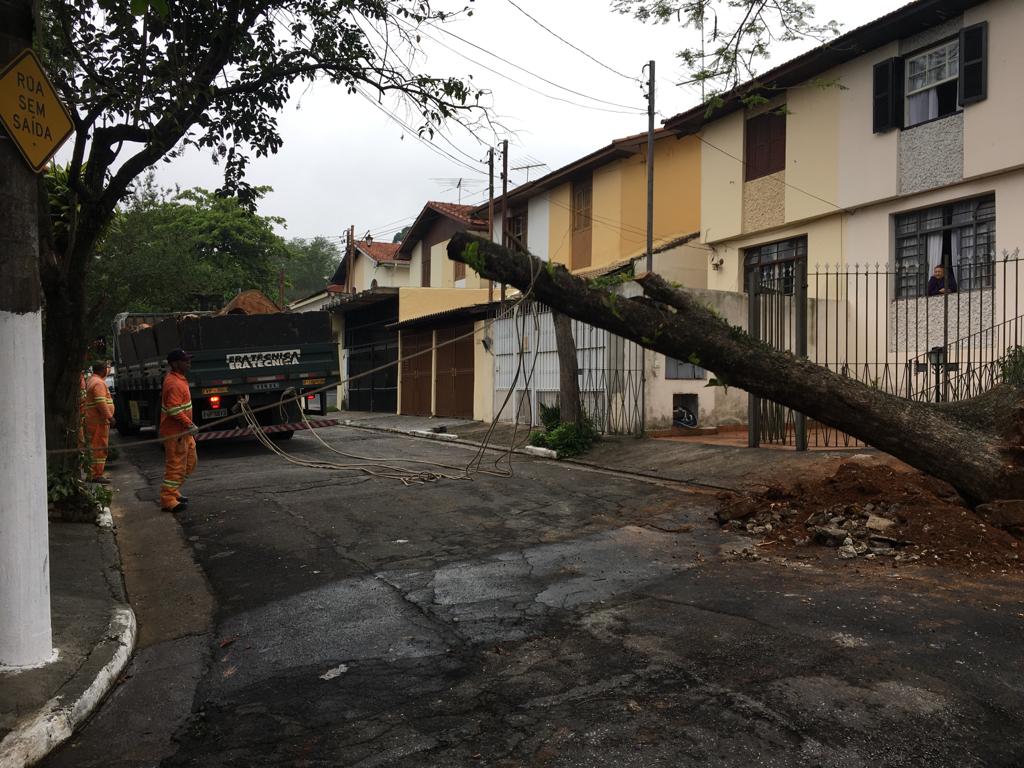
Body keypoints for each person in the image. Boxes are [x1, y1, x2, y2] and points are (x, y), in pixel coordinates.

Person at [159, 349, 198, 513]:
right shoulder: (174, 383)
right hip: (176, 434)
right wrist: (189, 424)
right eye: (185, 360)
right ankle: (168, 499)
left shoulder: (178, 379)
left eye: (189, 359)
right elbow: (173, 409)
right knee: (176, 466)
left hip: (183, 433)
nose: (189, 363)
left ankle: (173, 491)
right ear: (175, 364)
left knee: (190, 462)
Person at [84, 361, 116, 483]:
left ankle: (94, 473)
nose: (108, 370)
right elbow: (100, 402)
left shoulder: (92, 380)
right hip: (98, 421)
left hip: (94, 420)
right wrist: (110, 417)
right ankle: (96, 474)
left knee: (95, 447)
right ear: (103, 370)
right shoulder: (98, 383)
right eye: (107, 368)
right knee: (99, 447)